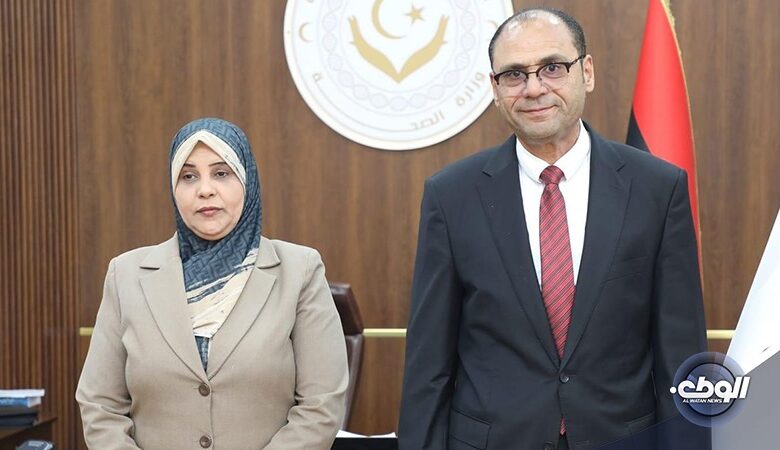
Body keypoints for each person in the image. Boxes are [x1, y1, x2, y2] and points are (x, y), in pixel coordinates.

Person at [399, 7, 707, 450]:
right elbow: (429, 363)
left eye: (552, 67)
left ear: (587, 72)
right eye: (514, 75)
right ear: (495, 88)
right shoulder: (451, 196)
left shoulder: (657, 188)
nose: (533, 88)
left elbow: (681, 358)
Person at [76, 118, 348, 449]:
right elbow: (100, 406)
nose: (205, 189)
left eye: (221, 173)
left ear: (247, 181)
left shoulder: (299, 270)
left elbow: (320, 406)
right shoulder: (126, 275)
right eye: (188, 176)